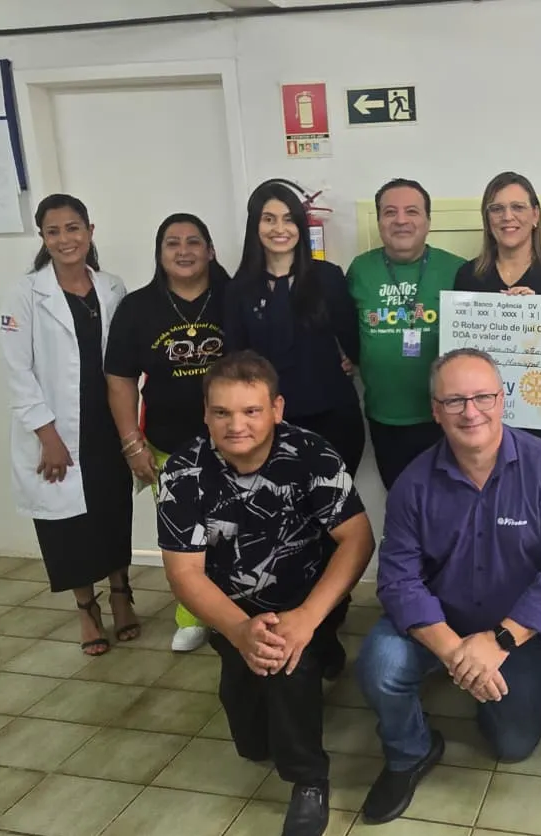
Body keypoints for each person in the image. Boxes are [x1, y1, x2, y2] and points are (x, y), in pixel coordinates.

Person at [157, 350, 375, 836]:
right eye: (223, 413)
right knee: (253, 743)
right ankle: (304, 657)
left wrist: (305, 621)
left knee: (288, 667)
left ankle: (309, 782)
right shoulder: (184, 471)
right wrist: (238, 631)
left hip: (308, 602)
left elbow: (358, 541)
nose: (237, 425)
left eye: (251, 411)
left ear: (276, 408)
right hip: (231, 613)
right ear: (206, 414)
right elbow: (183, 572)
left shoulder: (312, 455)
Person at [355, 347, 541, 824]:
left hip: (516, 628)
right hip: (439, 623)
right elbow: (398, 578)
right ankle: (409, 751)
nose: (471, 411)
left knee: (514, 745)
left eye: (483, 396)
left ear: (503, 400)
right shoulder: (413, 483)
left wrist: (499, 641)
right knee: (379, 664)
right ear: (436, 411)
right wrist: (457, 655)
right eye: (455, 401)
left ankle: (488, 687)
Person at [0, 193, 138, 656]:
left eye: (73, 228)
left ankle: (121, 593)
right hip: (55, 430)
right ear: (42, 238)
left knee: (112, 511)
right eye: (54, 231)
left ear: (90, 231)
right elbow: (17, 372)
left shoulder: (112, 288)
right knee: (68, 525)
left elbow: (125, 360)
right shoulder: (25, 294)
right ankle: (86, 608)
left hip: (106, 422)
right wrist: (48, 436)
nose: (65, 239)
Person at [105, 212, 230, 653]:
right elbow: (120, 379)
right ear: (160, 255)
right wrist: (130, 443)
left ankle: (239, 611)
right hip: (167, 446)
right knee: (186, 536)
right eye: (172, 243)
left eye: (194, 241)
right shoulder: (138, 309)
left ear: (210, 251)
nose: (183, 251)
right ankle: (192, 615)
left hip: (237, 445)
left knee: (240, 530)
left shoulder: (234, 298)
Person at [225, 180, 364, 477]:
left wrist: (348, 359)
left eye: (289, 219)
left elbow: (353, 343)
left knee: (335, 515)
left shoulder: (328, 278)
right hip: (269, 425)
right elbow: (236, 361)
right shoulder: (239, 290)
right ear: (255, 226)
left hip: (334, 418)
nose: (280, 229)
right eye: (269, 219)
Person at [452, 171, 541, 466]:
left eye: (518, 207)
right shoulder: (469, 276)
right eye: (496, 209)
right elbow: (459, 357)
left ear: (535, 215)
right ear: (487, 220)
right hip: (484, 420)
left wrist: (537, 316)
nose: (507, 216)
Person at [345, 178, 466, 489]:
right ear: (379, 221)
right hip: (385, 417)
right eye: (390, 212)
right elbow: (340, 322)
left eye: (412, 211)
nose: (400, 220)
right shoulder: (359, 270)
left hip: (446, 416)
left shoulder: (458, 270)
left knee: (450, 504)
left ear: (427, 220)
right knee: (400, 501)